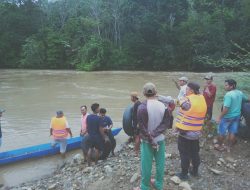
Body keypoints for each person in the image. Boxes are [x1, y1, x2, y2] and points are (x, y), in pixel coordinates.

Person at [134, 82, 171, 190]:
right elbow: (166, 124)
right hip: (160, 139)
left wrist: (151, 139)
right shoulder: (164, 106)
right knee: (160, 163)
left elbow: (142, 127)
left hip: (147, 142)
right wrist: (154, 136)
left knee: (146, 165)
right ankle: (159, 184)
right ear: (156, 92)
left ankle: (145, 186)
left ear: (144, 93)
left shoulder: (142, 107)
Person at [175, 82, 207, 180]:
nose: (186, 90)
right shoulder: (201, 98)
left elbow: (179, 103)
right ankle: (195, 171)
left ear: (192, 90)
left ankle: (184, 174)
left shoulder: (188, 101)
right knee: (195, 153)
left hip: (186, 133)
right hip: (196, 132)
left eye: (187, 89)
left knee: (184, 154)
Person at [216, 79, 249, 151]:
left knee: (221, 132)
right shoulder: (240, 93)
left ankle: (220, 146)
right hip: (236, 116)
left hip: (227, 117)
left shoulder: (228, 95)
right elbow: (246, 100)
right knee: (232, 131)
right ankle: (229, 147)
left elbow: (226, 109)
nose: (225, 87)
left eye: (226, 85)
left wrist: (219, 117)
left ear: (232, 86)